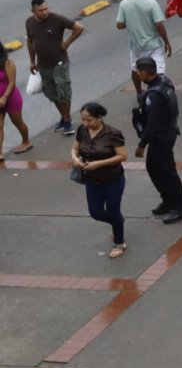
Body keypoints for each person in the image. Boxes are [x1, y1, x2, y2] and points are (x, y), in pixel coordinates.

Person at [132, 58, 182, 224]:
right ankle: (168, 201)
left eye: (138, 72)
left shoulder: (153, 95)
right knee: (153, 168)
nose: (138, 75)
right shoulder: (164, 82)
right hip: (167, 132)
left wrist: (142, 145)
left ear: (144, 72)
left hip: (161, 137)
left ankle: (181, 207)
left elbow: (153, 123)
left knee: (167, 171)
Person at [71, 102, 129, 258]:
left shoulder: (113, 133)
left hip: (113, 179)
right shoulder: (82, 130)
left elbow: (122, 156)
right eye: (83, 119)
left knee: (113, 210)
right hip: (91, 179)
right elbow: (75, 148)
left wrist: (98, 164)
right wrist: (75, 159)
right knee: (95, 212)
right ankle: (118, 222)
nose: (85, 123)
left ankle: (119, 242)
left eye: (89, 120)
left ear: (100, 117)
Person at [25, 0, 84, 135]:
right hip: (43, 65)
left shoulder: (56, 19)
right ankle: (64, 117)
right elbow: (30, 42)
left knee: (63, 92)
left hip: (59, 63)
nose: (45, 12)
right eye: (40, 10)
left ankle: (67, 121)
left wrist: (66, 43)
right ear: (33, 10)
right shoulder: (29, 22)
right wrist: (32, 62)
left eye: (46, 9)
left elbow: (79, 28)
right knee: (52, 94)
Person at [116, 0, 171, 96]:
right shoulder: (151, 3)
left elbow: (119, 25)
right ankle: (158, 91)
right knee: (159, 70)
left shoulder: (124, 4)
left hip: (136, 46)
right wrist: (166, 42)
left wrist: (132, 22)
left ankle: (139, 93)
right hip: (153, 44)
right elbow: (159, 25)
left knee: (136, 69)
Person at [0, 44, 32, 157]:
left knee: (18, 122)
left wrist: (4, 97)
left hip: (11, 98)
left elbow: (12, 82)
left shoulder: (7, 63)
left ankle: (26, 141)